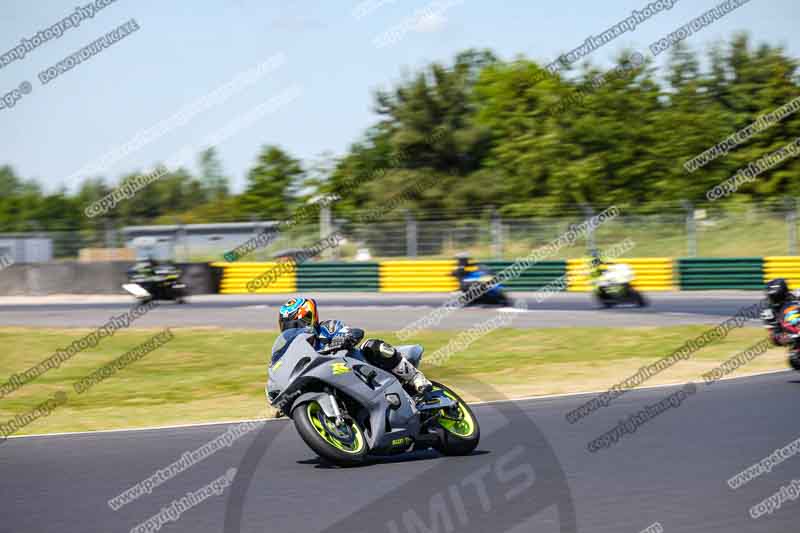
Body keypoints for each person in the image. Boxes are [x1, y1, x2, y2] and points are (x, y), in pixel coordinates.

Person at [277, 297, 433, 394]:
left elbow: (353, 332)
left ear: (311, 318)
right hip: (335, 381)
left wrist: (345, 338)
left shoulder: (327, 328)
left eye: (298, 324)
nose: (294, 329)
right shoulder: (293, 350)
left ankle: (415, 377)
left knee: (372, 346)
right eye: (288, 326)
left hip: (359, 368)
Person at [763, 278, 800, 347]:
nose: (773, 299)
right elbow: (774, 337)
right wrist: (788, 338)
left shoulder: (796, 298)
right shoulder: (769, 313)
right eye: (771, 297)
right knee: (794, 356)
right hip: (794, 339)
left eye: (775, 297)